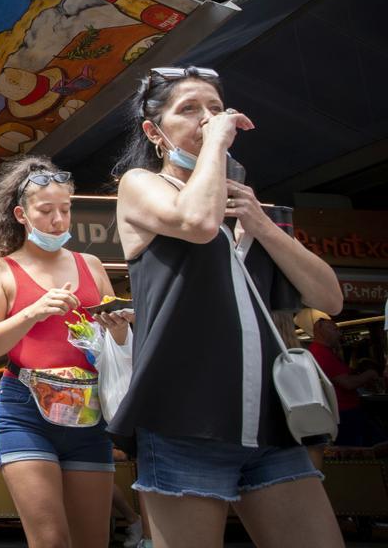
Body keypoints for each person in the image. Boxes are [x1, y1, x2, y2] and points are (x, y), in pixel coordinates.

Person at [109, 66, 344, 548]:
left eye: (216, 110)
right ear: (154, 131)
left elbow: (329, 298)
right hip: (185, 420)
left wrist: (261, 222)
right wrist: (215, 143)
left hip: (272, 423)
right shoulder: (141, 184)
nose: (208, 119)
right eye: (189, 110)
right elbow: (195, 222)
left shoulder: (252, 209)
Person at [0, 156, 130, 548]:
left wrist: (121, 329)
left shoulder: (91, 264)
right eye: (46, 211)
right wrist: (32, 312)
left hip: (89, 411)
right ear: (22, 214)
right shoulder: (0, 270)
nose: (59, 220)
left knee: (93, 540)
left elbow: (115, 344)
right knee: (50, 540)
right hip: (25, 410)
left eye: (65, 209)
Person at [309, 317, 383, 447]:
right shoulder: (320, 353)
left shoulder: (324, 352)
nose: (339, 333)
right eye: (334, 329)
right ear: (321, 331)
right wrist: (369, 374)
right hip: (344, 412)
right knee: (363, 449)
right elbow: (347, 383)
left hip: (345, 411)